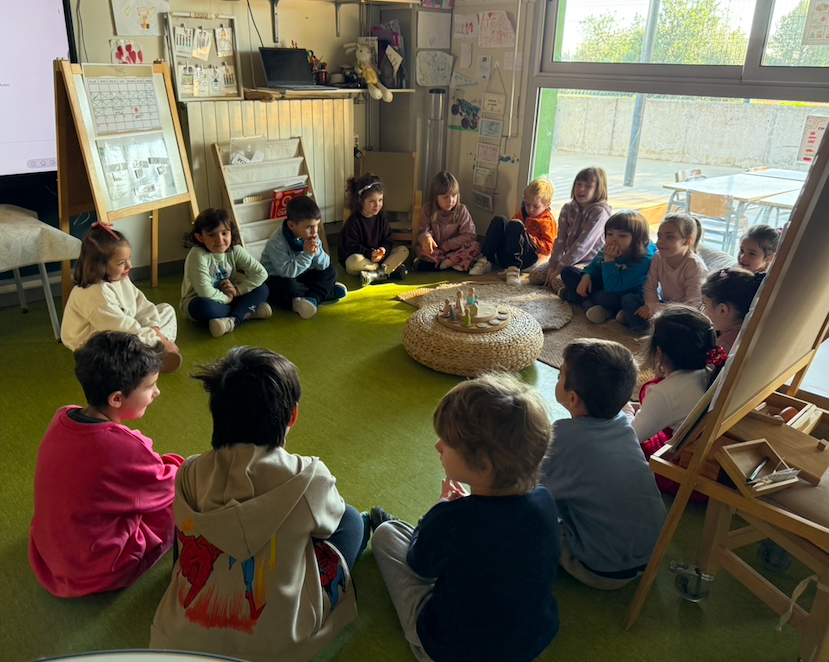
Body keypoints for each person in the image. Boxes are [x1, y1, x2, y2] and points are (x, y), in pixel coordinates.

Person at [150, 347, 366, 662]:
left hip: (178, 640)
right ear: (293, 415)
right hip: (279, 646)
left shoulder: (190, 471)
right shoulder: (308, 477)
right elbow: (327, 528)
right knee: (353, 520)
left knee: (188, 527)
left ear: (216, 413)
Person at [370, 373, 561, 662]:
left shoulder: (452, 518)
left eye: (446, 443)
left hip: (451, 650)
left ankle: (396, 527)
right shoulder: (545, 500)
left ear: (483, 466)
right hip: (531, 643)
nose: (438, 447)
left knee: (386, 535)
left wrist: (438, 510)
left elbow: (420, 566)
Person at [29, 331, 183, 598]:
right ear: (117, 399)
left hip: (50, 550)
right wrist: (180, 466)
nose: (157, 392)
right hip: (96, 566)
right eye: (150, 387)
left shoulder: (63, 415)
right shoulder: (123, 447)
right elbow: (169, 486)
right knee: (179, 496)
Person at [541, 339, 666, 590]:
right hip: (652, 553)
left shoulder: (564, 440)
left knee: (532, 517)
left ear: (573, 398)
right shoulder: (623, 424)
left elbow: (525, 488)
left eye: (559, 375)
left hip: (603, 569)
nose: (558, 378)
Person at [61, 222, 182, 373]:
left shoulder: (120, 278)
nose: (129, 266)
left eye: (129, 258)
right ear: (99, 265)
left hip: (124, 329)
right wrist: (159, 342)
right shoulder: (94, 294)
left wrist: (155, 331)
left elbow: (142, 305)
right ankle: (148, 356)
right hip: (97, 347)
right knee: (123, 343)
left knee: (166, 310)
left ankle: (148, 353)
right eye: (121, 263)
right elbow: (121, 328)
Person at [180, 208, 271, 338]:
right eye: (211, 235)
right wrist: (227, 298)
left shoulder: (235, 250)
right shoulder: (198, 255)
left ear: (231, 233)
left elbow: (261, 273)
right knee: (204, 307)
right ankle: (247, 310)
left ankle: (233, 320)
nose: (220, 240)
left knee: (263, 288)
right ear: (200, 237)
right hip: (201, 300)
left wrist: (238, 291)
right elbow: (204, 291)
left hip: (230, 296)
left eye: (224, 233)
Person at [559, 210, 656, 324]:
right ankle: (588, 304)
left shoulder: (644, 259)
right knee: (567, 271)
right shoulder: (609, 247)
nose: (614, 239)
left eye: (622, 235)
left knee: (605, 297)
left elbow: (612, 287)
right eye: (610, 234)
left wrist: (609, 259)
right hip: (606, 283)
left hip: (622, 292)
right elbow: (594, 266)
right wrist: (586, 276)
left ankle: (582, 300)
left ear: (637, 239)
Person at [261, 196, 347, 319]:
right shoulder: (276, 242)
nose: (315, 231)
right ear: (291, 226)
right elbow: (287, 272)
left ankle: (313, 299)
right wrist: (308, 255)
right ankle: (321, 293)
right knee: (289, 287)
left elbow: (324, 266)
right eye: (309, 227)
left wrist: (316, 252)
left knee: (332, 271)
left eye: (316, 225)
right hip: (280, 279)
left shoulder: (312, 236)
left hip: (301, 275)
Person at [620, 213, 708, 333]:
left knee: (687, 326)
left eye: (669, 237)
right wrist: (651, 306)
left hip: (685, 312)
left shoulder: (694, 266)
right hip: (664, 305)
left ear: (688, 241)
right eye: (659, 236)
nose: (660, 242)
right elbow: (650, 287)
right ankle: (646, 329)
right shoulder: (658, 257)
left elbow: (693, 305)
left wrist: (657, 310)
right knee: (629, 299)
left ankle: (646, 325)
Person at [469, 178, 557, 285]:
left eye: (536, 206)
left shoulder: (547, 221)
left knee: (516, 225)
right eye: (527, 204)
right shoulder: (523, 213)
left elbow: (548, 247)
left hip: (527, 260)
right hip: (507, 256)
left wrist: (527, 237)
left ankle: (513, 270)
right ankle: (486, 260)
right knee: (500, 220)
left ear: (547, 206)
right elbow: (512, 232)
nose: (530, 209)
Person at [544, 167, 611, 288]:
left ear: (598, 189)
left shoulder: (600, 212)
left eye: (588, 186)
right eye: (578, 184)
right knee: (536, 276)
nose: (581, 189)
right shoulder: (567, 208)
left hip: (589, 264)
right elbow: (560, 240)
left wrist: (559, 269)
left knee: (557, 281)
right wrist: (553, 266)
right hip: (566, 261)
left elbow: (583, 245)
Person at [338, 173, 409, 286]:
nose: (377, 205)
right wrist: (370, 254)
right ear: (361, 201)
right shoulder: (354, 221)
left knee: (403, 250)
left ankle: (376, 274)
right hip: (364, 259)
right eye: (372, 201)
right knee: (353, 261)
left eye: (380, 200)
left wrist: (383, 250)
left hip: (380, 258)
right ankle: (386, 271)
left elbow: (388, 240)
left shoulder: (381, 218)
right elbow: (351, 246)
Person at [414, 171, 481, 272]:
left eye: (454, 196)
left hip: (456, 249)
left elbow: (470, 235)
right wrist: (426, 238)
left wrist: (448, 245)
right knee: (421, 249)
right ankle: (453, 263)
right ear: (436, 196)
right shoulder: (427, 209)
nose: (450, 201)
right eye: (445, 197)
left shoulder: (461, 210)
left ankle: (443, 264)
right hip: (436, 250)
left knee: (475, 246)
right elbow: (422, 232)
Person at [702, 268, 766, 354]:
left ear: (723, 311)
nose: (703, 312)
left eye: (705, 305)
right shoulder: (749, 330)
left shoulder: (724, 345)